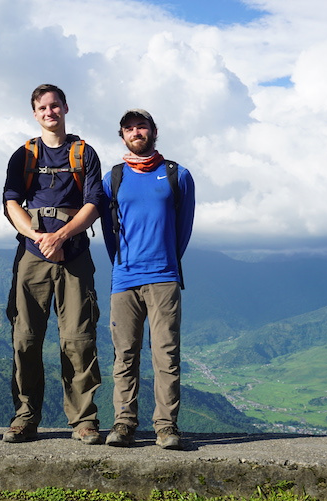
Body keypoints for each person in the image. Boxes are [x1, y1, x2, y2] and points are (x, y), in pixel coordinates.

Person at [1, 84, 104, 445]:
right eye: (43, 107)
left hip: (74, 253)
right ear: (35, 113)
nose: (50, 112)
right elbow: (11, 201)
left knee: (78, 339)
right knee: (25, 338)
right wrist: (37, 235)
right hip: (32, 254)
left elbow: (94, 203)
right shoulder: (24, 155)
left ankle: (84, 420)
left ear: (66, 108)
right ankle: (25, 417)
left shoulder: (84, 153)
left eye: (55, 106)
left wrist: (60, 237)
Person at [100, 109, 195, 449]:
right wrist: (122, 263)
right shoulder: (112, 178)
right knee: (124, 354)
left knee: (166, 355)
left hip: (164, 277)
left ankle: (166, 427)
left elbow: (183, 228)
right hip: (124, 279)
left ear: (154, 131)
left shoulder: (176, 175)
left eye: (142, 126)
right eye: (129, 128)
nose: (136, 132)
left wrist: (166, 260)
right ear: (122, 135)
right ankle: (124, 424)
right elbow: (109, 232)